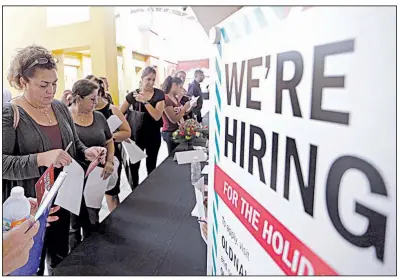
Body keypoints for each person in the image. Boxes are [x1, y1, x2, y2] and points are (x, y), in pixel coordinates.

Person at [3, 45, 106, 275]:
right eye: (43, 85)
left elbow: (73, 144)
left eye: (54, 84)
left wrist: (86, 152)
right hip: (30, 209)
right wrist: (41, 158)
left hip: (63, 199)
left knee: (60, 256)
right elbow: (3, 164)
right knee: (30, 265)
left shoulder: (59, 107)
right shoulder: (10, 114)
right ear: (22, 82)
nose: (51, 91)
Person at [67, 79, 115, 250]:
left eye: (97, 98)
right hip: (72, 179)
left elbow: (110, 141)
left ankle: (93, 256)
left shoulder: (99, 116)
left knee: (92, 218)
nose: (96, 102)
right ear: (79, 98)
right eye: (92, 99)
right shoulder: (65, 117)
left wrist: (109, 161)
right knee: (73, 224)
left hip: (96, 178)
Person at [88, 75, 131, 212]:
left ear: (100, 93)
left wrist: (109, 137)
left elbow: (127, 132)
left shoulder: (111, 109)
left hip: (112, 156)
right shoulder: (83, 111)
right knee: (92, 198)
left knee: (111, 193)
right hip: (90, 158)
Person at [120, 66, 165, 189]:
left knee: (151, 166)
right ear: (142, 79)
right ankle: (135, 190)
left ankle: (151, 190)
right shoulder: (133, 94)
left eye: (153, 80)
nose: (151, 82)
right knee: (134, 167)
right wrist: (123, 131)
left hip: (153, 136)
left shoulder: (159, 94)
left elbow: (157, 116)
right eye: (148, 79)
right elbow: (119, 113)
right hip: (136, 136)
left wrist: (145, 102)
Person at [161, 76, 191, 155]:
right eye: (180, 87)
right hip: (170, 131)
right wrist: (184, 108)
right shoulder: (166, 99)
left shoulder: (174, 97)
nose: (181, 89)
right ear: (174, 85)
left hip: (177, 130)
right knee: (173, 156)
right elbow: (173, 119)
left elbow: (181, 112)